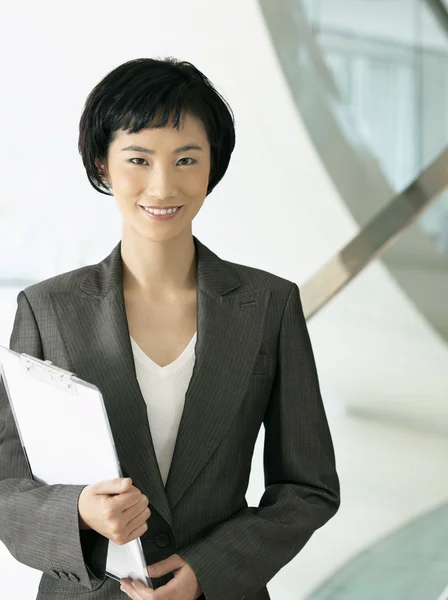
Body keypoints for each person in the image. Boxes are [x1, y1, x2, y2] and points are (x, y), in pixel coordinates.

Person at [0, 57, 340, 600]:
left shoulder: (270, 305)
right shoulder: (47, 308)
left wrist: (210, 569)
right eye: (138, 158)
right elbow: (7, 486)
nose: (163, 186)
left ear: (212, 167)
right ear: (103, 164)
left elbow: (309, 487)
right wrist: (79, 511)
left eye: (186, 159)